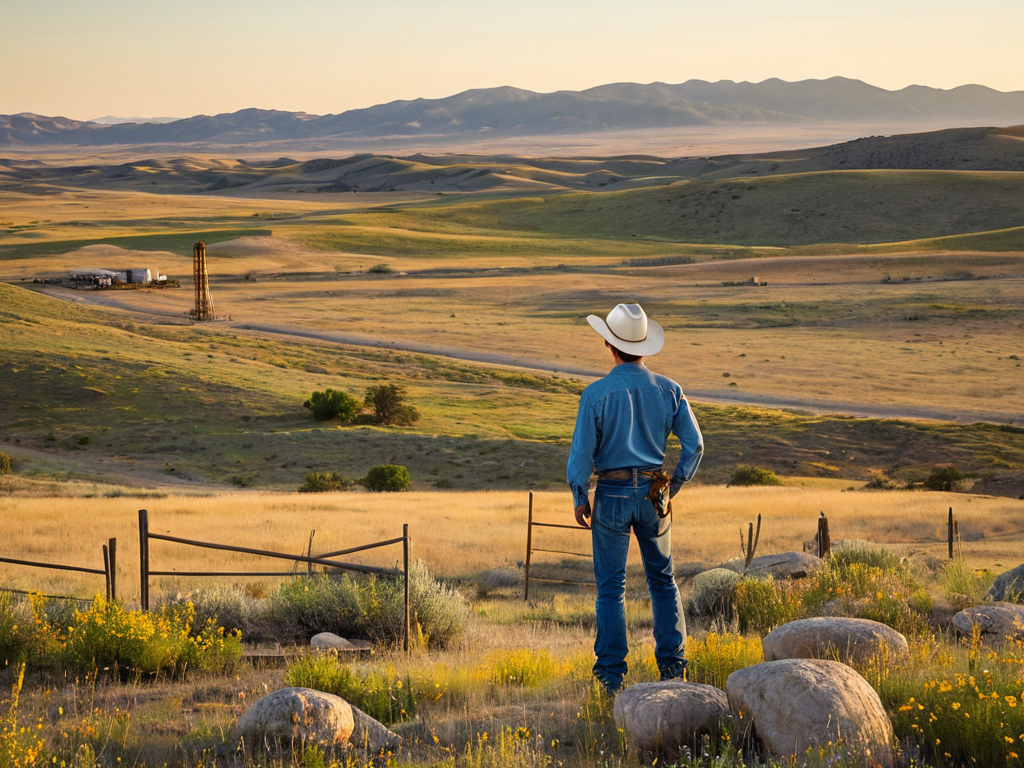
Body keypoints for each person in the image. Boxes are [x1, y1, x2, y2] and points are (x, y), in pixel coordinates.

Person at [566, 303, 703, 694]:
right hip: (653, 493)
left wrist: (579, 495)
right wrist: (672, 486)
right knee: (663, 580)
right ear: (645, 346)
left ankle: (611, 676)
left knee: (611, 587)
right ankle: (673, 669)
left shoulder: (595, 394)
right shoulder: (670, 390)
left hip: (609, 492)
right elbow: (695, 446)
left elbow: (581, 455)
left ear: (610, 345)